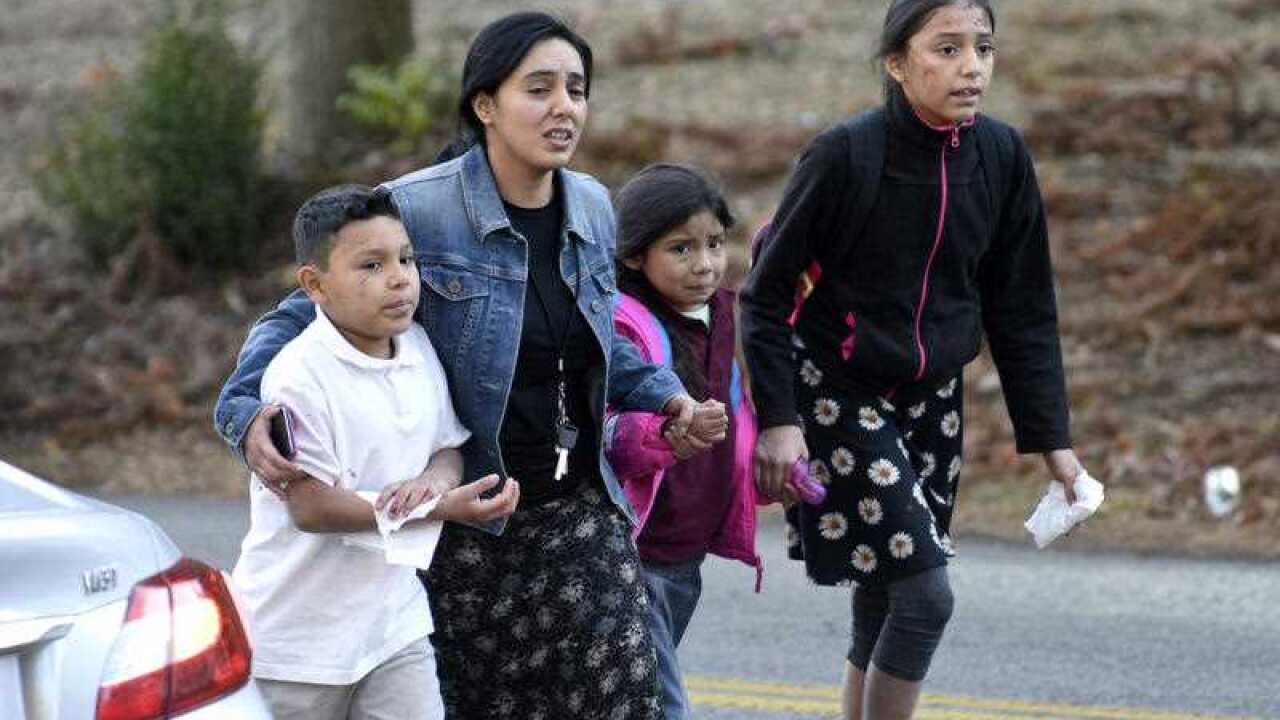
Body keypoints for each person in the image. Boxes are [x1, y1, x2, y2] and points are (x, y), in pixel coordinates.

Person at [213, 12, 721, 719]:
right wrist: (243, 414)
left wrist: (670, 400)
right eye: (538, 88)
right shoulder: (420, 210)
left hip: (579, 514)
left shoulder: (596, 209)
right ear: (486, 105)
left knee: (630, 699)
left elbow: (599, 340)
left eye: (576, 89)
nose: (563, 107)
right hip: (466, 528)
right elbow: (301, 315)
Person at [740, 1, 1100, 719]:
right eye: (947, 49)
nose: (971, 66)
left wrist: (1053, 443)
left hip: (932, 398)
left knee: (888, 590)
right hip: (836, 390)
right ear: (897, 63)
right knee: (927, 594)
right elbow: (764, 297)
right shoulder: (845, 156)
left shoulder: (1001, 156)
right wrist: (779, 421)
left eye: (984, 48)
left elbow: (1022, 307)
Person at [230, 184, 519, 720]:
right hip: (294, 645)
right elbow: (311, 508)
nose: (399, 278)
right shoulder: (297, 376)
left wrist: (434, 484)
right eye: (370, 265)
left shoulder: (417, 346)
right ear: (315, 284)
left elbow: (447, 449)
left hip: (392, 629)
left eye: (405, 259)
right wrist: (439, 509)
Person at [606, 164, 761, 720]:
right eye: (680, 249)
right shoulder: (624, 323)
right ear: (632, 256)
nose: (704, 264)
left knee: (630, 701)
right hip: (634, 553)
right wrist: (665, 435)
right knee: (662, 705)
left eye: (715, 244)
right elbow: (606, 433)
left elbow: (734, 406)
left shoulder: (721, 311)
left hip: (686, 552)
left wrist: (773, 467)